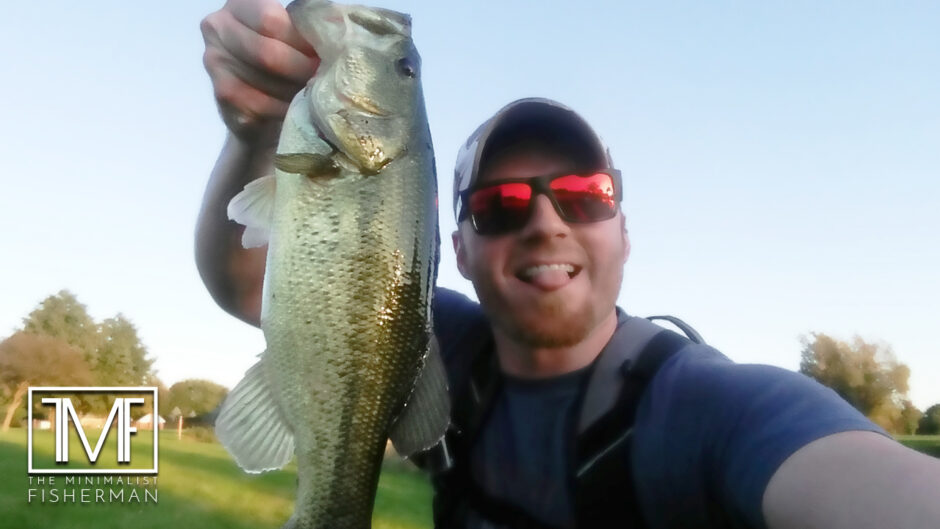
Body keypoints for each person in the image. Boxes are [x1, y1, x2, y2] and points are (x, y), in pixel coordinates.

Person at [197, 1, 940, 528]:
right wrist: (253, 136)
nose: (547, 222)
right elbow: (247, 283)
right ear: (458, 250)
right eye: (502, 204)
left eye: (585, 195)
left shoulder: (714, 407)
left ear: (625, 231)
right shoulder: (430, 340)